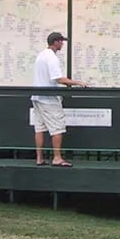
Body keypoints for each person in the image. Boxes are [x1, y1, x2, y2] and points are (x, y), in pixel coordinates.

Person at [32, 31, 88, 168]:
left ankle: (39, 158)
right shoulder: (52, 57)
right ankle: (57, 158)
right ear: (56, 42)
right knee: (57, 128)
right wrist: (78, 83)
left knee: (39, 128)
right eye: (61, 41)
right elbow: (58, 78)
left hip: (37, 97)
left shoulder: (41, 55)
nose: (62, 43)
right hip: (49, 99)